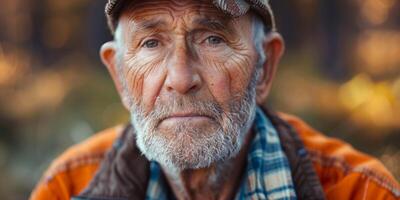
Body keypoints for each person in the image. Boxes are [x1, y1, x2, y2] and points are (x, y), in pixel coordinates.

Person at [31, 0, 400, 199]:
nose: (180, 78)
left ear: (265, 67)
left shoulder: (360, 191)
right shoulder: (68, 187)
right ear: (120, 77)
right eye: (151, 43)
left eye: (213, 39)